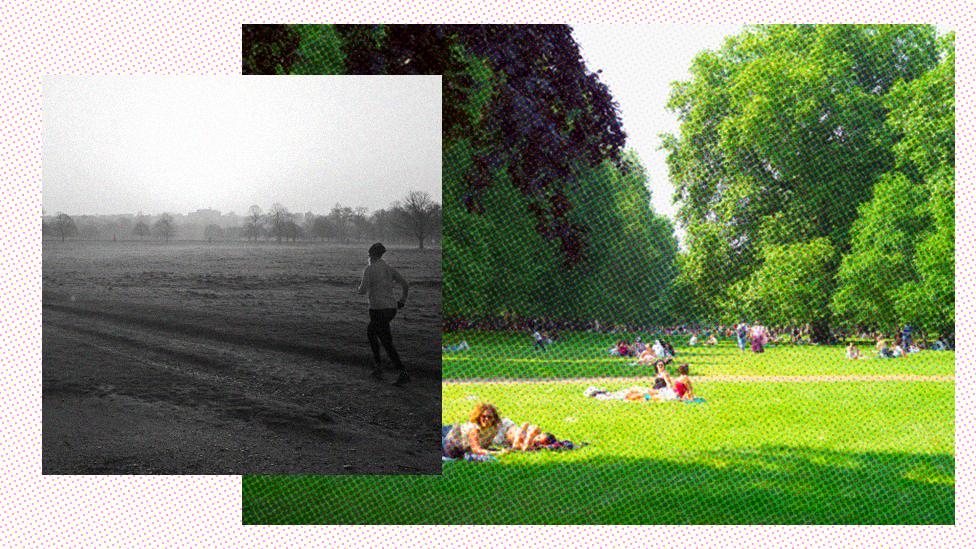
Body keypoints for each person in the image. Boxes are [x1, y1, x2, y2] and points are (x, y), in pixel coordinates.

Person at [357, 242, 410, 386]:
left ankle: (400, 371)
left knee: (384, 340)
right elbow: (405, 284)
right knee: (375, 334)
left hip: (377, 309)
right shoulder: (389, 269)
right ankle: (379, 367)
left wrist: (358, 287)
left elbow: (362, 291)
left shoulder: (369, 269)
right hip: (391, 308)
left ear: (371, 255)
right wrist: (402, 301)